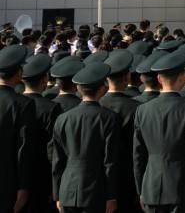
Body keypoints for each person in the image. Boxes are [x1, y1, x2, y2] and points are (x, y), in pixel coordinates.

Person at [132, 49, 185, 213]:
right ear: (182, 78)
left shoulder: (142, 110)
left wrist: (141, 190)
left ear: (159, 79)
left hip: (151, 188)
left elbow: (138, 155)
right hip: (182, 188)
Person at [50, 62, 119, 213]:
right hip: (95, 191)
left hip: (67, 190)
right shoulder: (109, 118)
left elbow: (57, 160)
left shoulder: (63, 118)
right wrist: (111, 195)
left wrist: (57, 194)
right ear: (102, 89)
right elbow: (110, 161)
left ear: (78, 89)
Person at [99, 50, 142, 213]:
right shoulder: (137, 107)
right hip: (127, 175)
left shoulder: (98, 105)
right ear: (127, 78)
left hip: (99, 176)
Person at [22, 52, 63, 213]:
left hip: (17, 173)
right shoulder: (51, 107)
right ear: (44, 80)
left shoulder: (15, 103)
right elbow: (54, 148)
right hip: (42, 173)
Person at [0, 45, 32, 213]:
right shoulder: (23, 104)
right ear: (19, 73)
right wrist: (23, 186)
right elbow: (23, 148)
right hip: (7, 181)